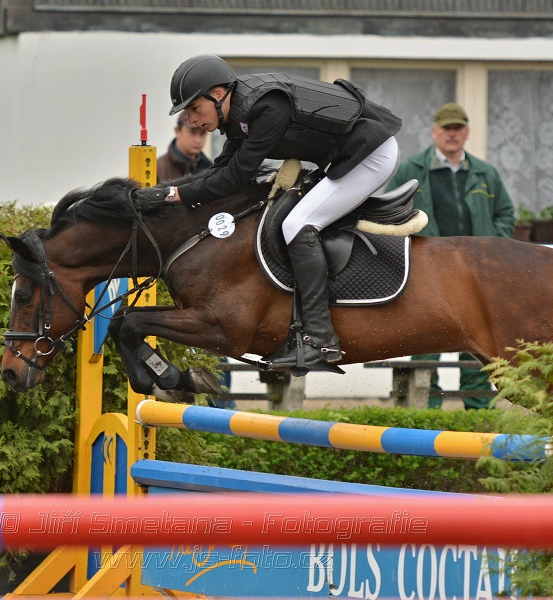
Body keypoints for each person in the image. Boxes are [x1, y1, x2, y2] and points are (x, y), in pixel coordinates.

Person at [134, 55, 426, 370]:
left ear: (217, 95)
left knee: (298, 225)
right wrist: (170, 194)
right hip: (345, 157)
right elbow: (222, 168)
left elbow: (236, 177)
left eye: (194, 109)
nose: (192, 120)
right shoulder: (238, 114)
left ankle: (319, 338)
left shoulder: (265, 108)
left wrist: (175, 194)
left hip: (371, 155)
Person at [384, 102, 515, 409]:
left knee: (479, 343)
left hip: (477, 275)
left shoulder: (486, 173)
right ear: (434, 132)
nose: (452, 134)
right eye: (446, 129)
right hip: (429, 275)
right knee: (426, 341)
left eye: (458, 129)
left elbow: (506, 214)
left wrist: (493, 248)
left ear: (466, 133)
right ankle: (428, 411)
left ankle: (477, 411)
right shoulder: (411, 170)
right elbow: (389, 211)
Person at [157, 111, 213, 182]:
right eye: (192, 132)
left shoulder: (210, 169)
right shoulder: (158, 169)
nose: (198, 140)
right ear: (177, 131)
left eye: (202, 133)